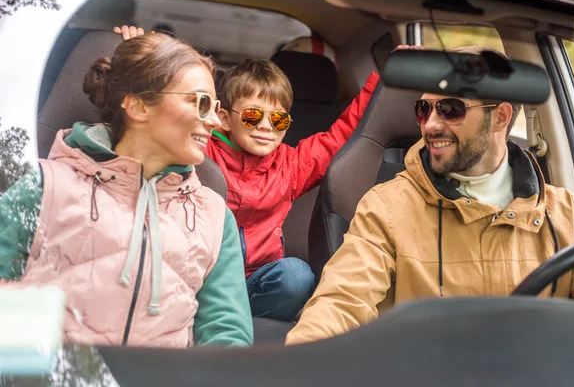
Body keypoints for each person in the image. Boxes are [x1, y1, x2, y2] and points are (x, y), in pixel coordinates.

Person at [285, 45, 574, 345]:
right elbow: (340, 304)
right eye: (424, 109)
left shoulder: (562, 211)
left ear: (501, 117)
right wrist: (300, 367)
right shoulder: (387, 207)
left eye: (451, 109)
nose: (430, 125)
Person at [0, 33, 253, 348]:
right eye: (199, 102)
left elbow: (226, 336)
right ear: (138, 106)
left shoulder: (215, 217)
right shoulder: (44, 186)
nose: (215, 120)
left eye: (215, 106)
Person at [115, 26, 381, 322]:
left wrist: (384, 80)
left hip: (255, 285)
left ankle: (232, 320)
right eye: (254, 115)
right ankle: (198, 314)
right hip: (199, 276)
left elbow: (339, 137)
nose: (267, 126)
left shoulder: (290, 165)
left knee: (296, 275)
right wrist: (145, 59)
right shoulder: (199, 150)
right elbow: (169, 112)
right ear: (225, 118)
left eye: (278, 119)